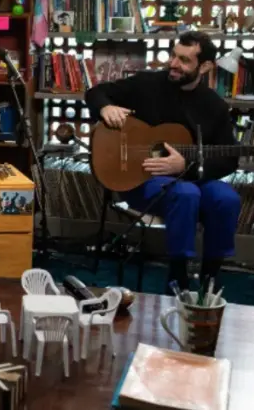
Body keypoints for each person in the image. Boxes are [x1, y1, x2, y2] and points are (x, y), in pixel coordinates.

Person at [84, 31, 240, 290]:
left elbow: (229, 159)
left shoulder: (214, 106)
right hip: (144, 179)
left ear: (205, 66)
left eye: (184, 60)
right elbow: (96, 92)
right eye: (173, 56)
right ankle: (177, 276)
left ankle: (211, 275)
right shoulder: (148, 84)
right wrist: (105, 107)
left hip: (192, 178)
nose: (173, 64)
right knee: (186, 194)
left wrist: (186, 166)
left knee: (227, 198)